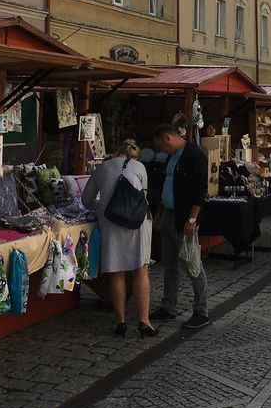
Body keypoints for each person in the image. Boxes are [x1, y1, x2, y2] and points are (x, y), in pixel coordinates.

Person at [81, 140, 157, 337]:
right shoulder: (139, 166)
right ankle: (144, 320)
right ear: (134, 155)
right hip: (136, 223)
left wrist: (103, 205)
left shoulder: (102, 168)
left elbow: (86, 200)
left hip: (111, 222)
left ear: (117, 153)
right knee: (140, 270)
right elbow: (143, 197)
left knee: (116, 271)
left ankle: (121, 321)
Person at [150, 123, 210, 330]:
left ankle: (201, 310)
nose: (161, 151)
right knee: (169, 263)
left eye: (161, 146)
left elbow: (200, 190)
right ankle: (168, 306)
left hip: (184, 218)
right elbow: (166, 184)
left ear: (168, 138)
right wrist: (159, 211)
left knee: (192, 263)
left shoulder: (195, 156)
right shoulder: (171, 156)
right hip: (167, 214)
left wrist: (192, 219)